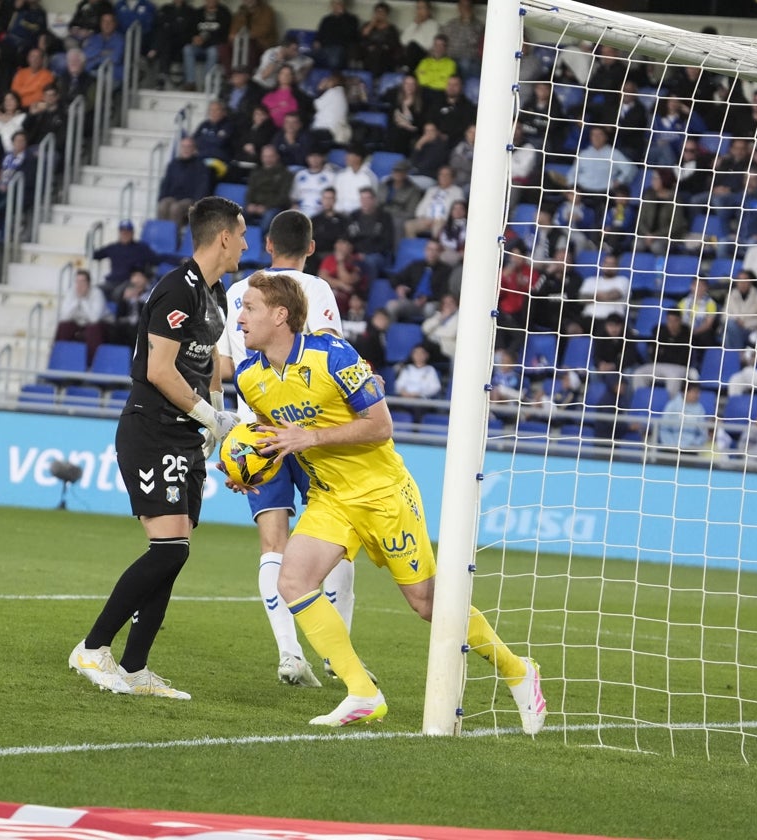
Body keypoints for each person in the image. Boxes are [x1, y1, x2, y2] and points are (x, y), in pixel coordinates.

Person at [228, 270, 546, 731]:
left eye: (249, 308)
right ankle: (362, 691)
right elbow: (273, 441)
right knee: (293, 581)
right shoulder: (249, 376)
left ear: (280, 316)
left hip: (382, 494)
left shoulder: (333, 355)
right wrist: (248, 471)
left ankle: (519, 672)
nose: (239, 318)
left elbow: (381, 425)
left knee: (427, 604)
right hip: (331, 498)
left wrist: (311, 437)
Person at [68, 195, 246, 700]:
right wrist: (210, 416)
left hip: (185, 433)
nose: (247, 243)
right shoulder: (176, 289)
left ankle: (134, 667)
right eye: (243, 233)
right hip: (152, 427)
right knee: (168, 549)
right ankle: (92, 646)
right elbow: (158, 370)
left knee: (175, 552)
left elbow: (209, 358)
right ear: (224, 237)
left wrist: (214, 412)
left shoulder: (217, 294)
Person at [215, 208, 354, 688]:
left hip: (256, 436)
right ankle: (338, 655)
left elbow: (222, 367)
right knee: (337, 544)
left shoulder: (238, 292)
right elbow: (331, 351)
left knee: (273, 542)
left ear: (268, 246)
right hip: (308, 433)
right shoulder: (314, 289)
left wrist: (223, 430)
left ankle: (290, 654)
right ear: (311, 249)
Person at [55, 268, 107, 366]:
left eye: (82, 281)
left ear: (89, 283)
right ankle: (60, 360)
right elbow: (64, 316)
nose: (79, 285)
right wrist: (76, 302)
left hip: (100, 326)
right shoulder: (71, 292)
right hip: (78, 324)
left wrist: (83, 301)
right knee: (63, 327)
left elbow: (94, 318)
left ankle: (91, 365)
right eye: (77, 281)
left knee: (93, 329)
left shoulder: (97, 293)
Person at [156, 135, 210, 228]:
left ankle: (174, 238)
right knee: (162, 205)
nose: (186, 149)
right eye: (184, 146)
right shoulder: (173, 164)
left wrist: (197, 203)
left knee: (175, 208)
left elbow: (203, 188)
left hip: (190, 199)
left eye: (189, 147)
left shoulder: (201, 166)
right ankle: (162, 235)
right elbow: (165, 183)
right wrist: (161, 197)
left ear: (194, 149)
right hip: (173, 197)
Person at [92, 220, 157, 289]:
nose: (125, 235)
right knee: (96, 291)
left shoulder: (141, 248)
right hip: (112, 282)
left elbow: (156, 260)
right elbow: (94, 255)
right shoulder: (113, 248)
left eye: (127, 232)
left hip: (129, 284)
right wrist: (90, 240)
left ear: (132, 233)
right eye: (123, 232)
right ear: (119, 233)